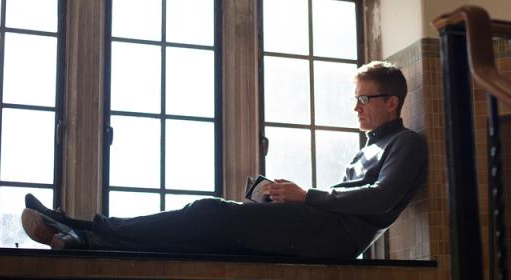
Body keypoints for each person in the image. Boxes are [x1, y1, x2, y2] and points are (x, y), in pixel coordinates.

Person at [21, 61, 427, 259]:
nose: (356, 108)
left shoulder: (405, 143)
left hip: (335, 241)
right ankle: (84, 239)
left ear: (391, 102)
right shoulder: (367, 147)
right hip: (321, 229)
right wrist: (286, 198)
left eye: (363, 99)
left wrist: (306, 196)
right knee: (207, 231)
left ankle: (81, 227)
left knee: (207, 212)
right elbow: (347, 199)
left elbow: (377, 199)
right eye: (354, 99)